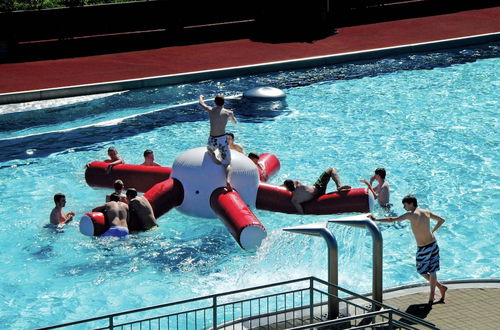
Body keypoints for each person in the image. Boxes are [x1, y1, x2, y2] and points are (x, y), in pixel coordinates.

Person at [368, 195, 447, 305]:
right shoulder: (426, 212)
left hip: (423, 248)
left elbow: (392, 219)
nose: (404, 207)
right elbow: (442, 220)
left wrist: (376, 219)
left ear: (410, 204)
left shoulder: (411, 215)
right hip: (433, 244)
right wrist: (432, 231)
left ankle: (436, 292)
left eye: (405, 205)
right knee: (432, 270)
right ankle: (437, 292)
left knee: (422, 271)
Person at [198, 94, 237, 190]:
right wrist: (232, 117)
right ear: (224, 103)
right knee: (227, 163)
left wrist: (201, 97)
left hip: (212, 139)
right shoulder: (228, 113)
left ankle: (212, 154)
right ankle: (227, 180)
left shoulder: (211, 110)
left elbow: (201, 103)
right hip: (222, 139)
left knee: (208, 149)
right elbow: (234, 122)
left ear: (215, 102)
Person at [283, 167, 351, 214]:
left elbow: (301, 213)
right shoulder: (298, 184)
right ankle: (339, 186)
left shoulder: (294, 200)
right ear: (293, 184)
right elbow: (292, 182)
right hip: (318, 188)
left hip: (315, 199)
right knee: (331, 170)